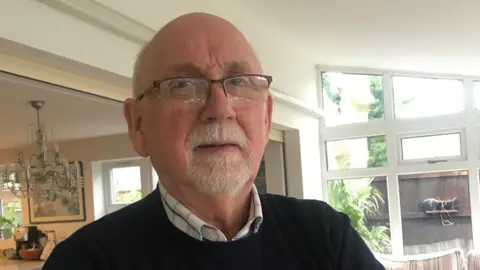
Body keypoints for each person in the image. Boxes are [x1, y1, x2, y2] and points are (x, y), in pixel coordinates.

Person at [43, 12, 385, 270]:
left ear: (266, 117)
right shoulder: (85, 262)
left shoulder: (324, 235)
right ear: (139, 125)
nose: (220, 109)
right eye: (182, 85)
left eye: (239, 82)